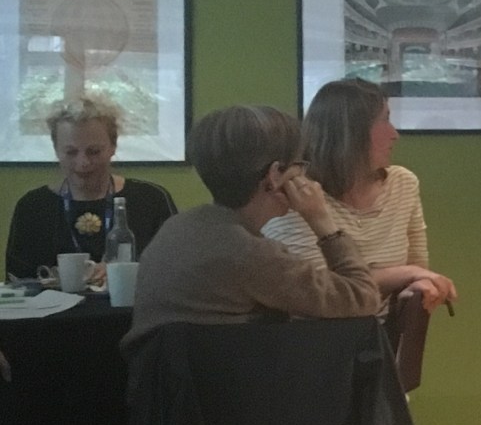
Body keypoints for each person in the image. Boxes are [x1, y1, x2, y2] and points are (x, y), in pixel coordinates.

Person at [121, 105, 381, 348]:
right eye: (299, 165)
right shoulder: (251, 254)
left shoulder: (177, 228)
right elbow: (364, 297)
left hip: (166, 391)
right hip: (235, 393)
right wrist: (323, 222)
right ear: (275, 174)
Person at [263, 79, 456, 311]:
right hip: (311, 340)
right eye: (385, 120)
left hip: (378, 340)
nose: (395, 134)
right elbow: (319, 293)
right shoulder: (297, 196)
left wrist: (420, 280)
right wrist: (404, 273)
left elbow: (420, 269)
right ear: (351, 132)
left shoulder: (403, 184)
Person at [6, 97, 177, 280]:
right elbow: (17, 282)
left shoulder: (151, 200)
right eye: (71, 152)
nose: (83, 163)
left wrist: (126, 273)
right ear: (56, 150)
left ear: (113, 147)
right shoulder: (32, 207)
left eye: (94, 151)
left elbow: (178, 268)